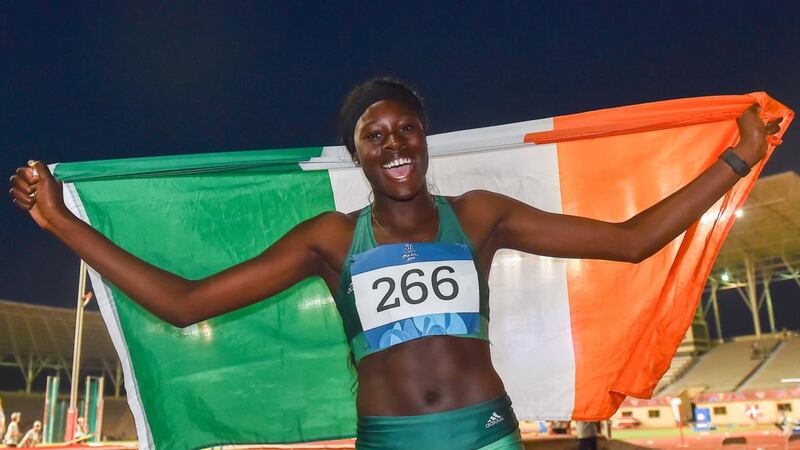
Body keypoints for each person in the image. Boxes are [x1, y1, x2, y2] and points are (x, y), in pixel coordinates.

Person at [9, 79, 782, 450]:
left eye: (406, 130)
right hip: (391, 440)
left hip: (486, 433)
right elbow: (183, 303)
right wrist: (60, 223)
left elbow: (630, 238)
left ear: (424, 139)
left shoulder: (478, 216)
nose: (395, 145)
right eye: (375, 136)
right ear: (359, 154)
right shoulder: (331, 239)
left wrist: (735, 160)